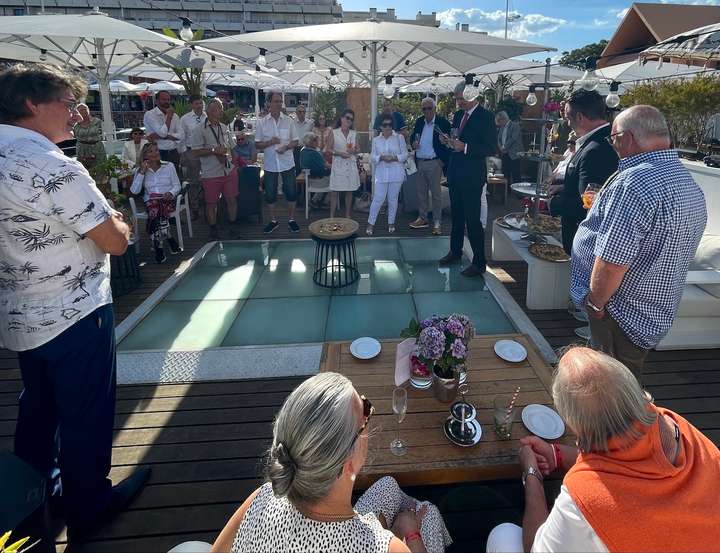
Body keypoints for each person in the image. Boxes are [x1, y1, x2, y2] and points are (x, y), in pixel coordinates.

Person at [0, 64, 149, 542]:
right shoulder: (50, 165)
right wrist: (121, 222)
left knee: (39, 408)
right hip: (73, 312)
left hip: (20, 315)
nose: (77, 115)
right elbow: (115, 240)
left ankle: (28, 501)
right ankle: (88, 505)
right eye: (67, 103)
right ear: (32, 104)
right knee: (86, 413)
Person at [486, 346, 720, 553]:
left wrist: (531, 475)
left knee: (503, 535)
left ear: (574, 424)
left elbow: (536, 547)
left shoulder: (585, 498)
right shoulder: (673, 424)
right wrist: (558, 454)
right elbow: (628, 462)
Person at [210, 372, 452, 553]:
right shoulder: (383, 548)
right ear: (348, 461)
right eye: (365, 413)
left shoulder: (262, 498)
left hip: (341, 522)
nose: (369, 414)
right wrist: (410, 534)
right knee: (428, 513)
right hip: (361, 536)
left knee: (388, 485)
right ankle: (410, 520)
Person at [571, 105, 707, 381]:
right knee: (624, 383)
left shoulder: (633, 182)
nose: (613, 145)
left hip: (617, 316)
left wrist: (595, 305)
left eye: (613, 138)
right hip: (650, 314)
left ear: (627, 138)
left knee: (606, 394)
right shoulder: (687, 182)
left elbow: (611, 262)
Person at [438, 81, 497, 277]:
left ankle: (479, 262)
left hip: (472, 177)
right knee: (456, 219)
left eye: (461, 98)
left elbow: (490, 148)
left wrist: (465, 147)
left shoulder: (486, 117)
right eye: (456, 98)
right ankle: (455, 252)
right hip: (455, 175)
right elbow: (457, 140)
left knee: (473, 221)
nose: (458, 102)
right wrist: (447, 141)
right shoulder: (457, 116)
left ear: (473, 95)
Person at [548, 89, 618, 254]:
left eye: (568, 118)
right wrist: (564, 187)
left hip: (586, 244)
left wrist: (554, 203)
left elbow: (590, 205)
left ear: (579, 117)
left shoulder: (596, 149)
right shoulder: (601, 140)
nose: (567, 123)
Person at [255, 90, 300, 234]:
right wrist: (270, 142)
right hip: (270, 164)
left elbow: (296, 141)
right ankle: (273, 221)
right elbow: (257, 145)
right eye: (276, 101)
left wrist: (286, 146)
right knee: (270, 194)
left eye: (280, 101)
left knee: (292, 192)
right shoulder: (262, 123)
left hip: (287, 163)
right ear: (268, 103)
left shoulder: (289, 120)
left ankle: (292, 220)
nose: (279, 104)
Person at [192, 98, 238, 241]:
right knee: (211, 203)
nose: (220, 110)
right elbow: (195, 152)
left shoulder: (224, 128)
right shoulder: (199, 129)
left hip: (228, 170)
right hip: (211, 172)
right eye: (217, 108)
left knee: (232, 200)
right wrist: (213, 150)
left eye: (220, 108)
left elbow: (232, 147)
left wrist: (235, 164)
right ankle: (213, 230)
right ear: (209, 111)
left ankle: (232, 227)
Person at [130, 142, 182, 263]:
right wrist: (142, 172)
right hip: (151, 202)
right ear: (145, 155)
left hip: (167, 199)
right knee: (155, 209)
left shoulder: (169, 166)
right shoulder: (140, 170)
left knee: (156, 211)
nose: (155, 153)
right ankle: (169, 239)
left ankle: (158, 245)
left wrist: (171, 193)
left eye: (156, 150)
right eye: (151, 151)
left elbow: (177, 185)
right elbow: (134, 190)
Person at [409, 97, 451, 235]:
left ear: (435, 109)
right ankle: (423, 218)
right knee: (421, 194)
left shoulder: (442, 123)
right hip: (420, 162)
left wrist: (442, 161)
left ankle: (437, 222)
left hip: (435, 162)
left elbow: (450, 142)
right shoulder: (420, 121)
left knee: (436, 195)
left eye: (429, 108)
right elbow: (413, 137)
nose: (426, 111)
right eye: (424, 108)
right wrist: (413, 144)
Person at [368, 115, 407, 235]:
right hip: (381, 173)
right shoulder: (376, 140)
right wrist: (381, 157)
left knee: (393, 199)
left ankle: (391, 222)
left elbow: (405, 155)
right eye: (385, 125)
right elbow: (372, 157)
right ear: (380, 126)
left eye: (390, 125)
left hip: (396, 172)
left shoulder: (399, 137)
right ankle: (371, 223)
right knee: (378, 199)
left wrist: (395, 158)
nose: (388, 127)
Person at [327, 108, 361, 219]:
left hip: (350, 164)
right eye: (347, 118)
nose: (349, 120)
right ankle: (332, 216)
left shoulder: (354, 133)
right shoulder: (334, 132)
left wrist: (354, 150)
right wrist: (340, 154)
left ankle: (347, 214)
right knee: (334, 191)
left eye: (351, 119)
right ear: (341, 118)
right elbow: (328, 150)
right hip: (338, 165)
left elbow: (358, 148)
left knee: (349, 190)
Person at [143, 90, 184, 178]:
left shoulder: (175, 116)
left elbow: (181, 135)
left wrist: (166, 136)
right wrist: (169, 117)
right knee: (160, 180)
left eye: (168, 99)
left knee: (176, 179)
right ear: (157, 101)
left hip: (173, 153)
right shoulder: (150, 115)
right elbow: (162, 133)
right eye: (164, 99)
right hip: (158, 153)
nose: (167, 102)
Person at [179, 94, 206, 220]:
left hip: (206, 152)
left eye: (201, 103)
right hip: (192, 152)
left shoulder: (208, 116)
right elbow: (181, 137)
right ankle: (194, 209)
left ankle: (208, 206)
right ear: (191, 105)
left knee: (207, 179)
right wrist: (185, 153)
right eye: (196, 103)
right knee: (194, 182)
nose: (199, 106)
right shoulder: (185, 119)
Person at [74, 103, 106, 169]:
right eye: (80, 110)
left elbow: (104, 131)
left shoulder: (97, 122)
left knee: (100, 169)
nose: (83, 111)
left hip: (97, 148)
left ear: (88, 110)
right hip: (82, 150)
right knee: (84, 170)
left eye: (84, 109)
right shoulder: (75, 124)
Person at [495, 110, 523, 185]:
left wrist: (504, 147)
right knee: (505, 173)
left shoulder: (515, 125)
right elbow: (499, 138)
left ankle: (519, 195)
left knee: (516, 174)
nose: (498, 123)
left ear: (503, 119)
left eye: (499, 121)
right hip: (504, 154)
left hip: (514, 154)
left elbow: (513, 139)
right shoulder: (502, 127)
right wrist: (501, 148)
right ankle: (506, 193)